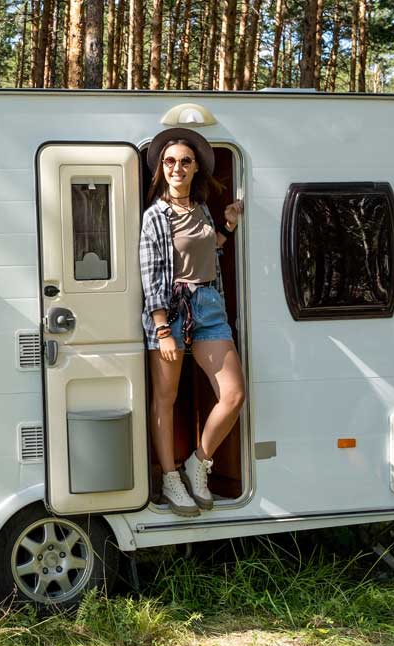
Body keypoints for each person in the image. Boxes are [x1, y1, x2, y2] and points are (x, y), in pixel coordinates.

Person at [140, 127, 246, 517]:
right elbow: (151, 274)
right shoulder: (155, 216)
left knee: (233, 395)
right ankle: (170, 478)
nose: (177, 168)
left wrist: (228, 226)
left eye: (185, 161)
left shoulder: (201, 208)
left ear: (196, 167)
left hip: (208, 306)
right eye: (170, 162)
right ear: (161, 168)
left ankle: (198, 462)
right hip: (170, 309)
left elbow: (206, 251)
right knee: (165, 399)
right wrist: (161, 328)